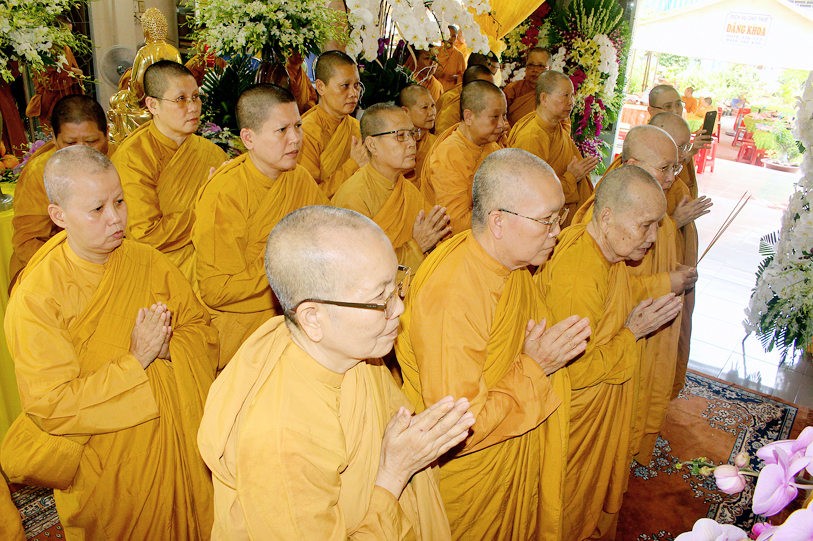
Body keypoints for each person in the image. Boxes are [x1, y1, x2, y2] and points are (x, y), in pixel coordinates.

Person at [198, 205, 476, 540]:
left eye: (396, 286)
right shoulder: (281, 439)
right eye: (381, 298)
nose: (399, 307)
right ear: (312, 318)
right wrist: (395, 472)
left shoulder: (352, 351)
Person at [4, 145, 218, 539]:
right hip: (106, 464)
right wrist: (136, 361)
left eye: (119, 201)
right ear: (58, 216)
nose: (116, 218)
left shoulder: (147, 260)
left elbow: (202, 330)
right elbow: (51, 405)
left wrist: (168, 346)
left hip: (176, 441)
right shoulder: (37, 297)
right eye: (97, 209)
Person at [396, 148, 591, 541]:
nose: (557, 231)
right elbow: (454, 429)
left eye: (560, 218)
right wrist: (536, 367)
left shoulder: (510, 265)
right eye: (547, 221)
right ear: (498, 221)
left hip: (505, 455)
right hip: (464, 483)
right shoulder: (455, 293)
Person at [538, 165, 683, 540]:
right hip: (574, 417)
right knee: (566, 504)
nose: (653, 237)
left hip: (598, 404)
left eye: (657, 226)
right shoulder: (579, 274)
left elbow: (608, 311)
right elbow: (573, 371)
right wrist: (633, 333)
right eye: (645, 225)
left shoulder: (606, 254)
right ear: (606, 218)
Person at [570, 124, 699, 464]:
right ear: (631, 164)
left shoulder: (648, 208)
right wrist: (666, 282)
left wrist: (673, 267)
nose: (672, 176)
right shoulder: (610, 218)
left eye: (676, 166)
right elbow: (615, 289)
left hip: (642, 329)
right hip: (617, 341)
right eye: (664, 167)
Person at [193, 84, 329, 370]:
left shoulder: (299, 178)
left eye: (298, 126)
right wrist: (290, 266)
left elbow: (326, 237)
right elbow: (217, 290)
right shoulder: (225, 193)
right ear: (248, 138)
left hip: (298, 318)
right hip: (241, 330)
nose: (295, 139)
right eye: (282, 130)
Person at [112, 60, 227, 282]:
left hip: (214, 263)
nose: (193, 107)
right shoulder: (133, 158)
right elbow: (145, 234)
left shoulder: (211, 153)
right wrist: (206, 208)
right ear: (153, 105)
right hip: (158, 274)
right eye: (180, 99)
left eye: (196, 97)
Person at [9, 95, 117, 290]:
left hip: (115, 259)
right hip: (55, 266)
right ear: (54, 138)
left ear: (107, 133)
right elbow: (27, 241)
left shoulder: (123, 160)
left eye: (91, 141)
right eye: (70, 143)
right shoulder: (39, 173)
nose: (81, 152)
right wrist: (78, 270)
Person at [332, 103, 450, 271]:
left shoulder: (407, 190)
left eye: (412, 134)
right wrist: (417, 246)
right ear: (372, 145)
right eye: (400, 136)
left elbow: (437, 236)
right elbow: (363, 268)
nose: (411, 143)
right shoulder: (354, 197)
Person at [648, 112, 713, 398]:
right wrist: (675, 221)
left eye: (686, 148)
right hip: (652, 286)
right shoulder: (630, 185)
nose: (684, 157)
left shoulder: (672, 180)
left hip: (673, 273)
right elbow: (630, 249)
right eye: (679, 148)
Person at [507, 70, 597, 228]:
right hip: (542, 224)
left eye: (572, 95)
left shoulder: (555, 127)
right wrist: (571, 178)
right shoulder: (531, 137)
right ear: (544, 98)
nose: (571, 102)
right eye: (565, 96)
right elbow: (531, 191)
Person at [421, 80, 507, 231]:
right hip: (456, 240)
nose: (502, 124)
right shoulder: (450, 154)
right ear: (468, 116)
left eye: (504, 115)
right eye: (494, 116)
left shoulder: (491, 146)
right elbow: (456, 223)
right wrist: (505, 215)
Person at [298, 51, 367, 198]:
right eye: (344, 86)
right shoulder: (306, 133)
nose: (353, 93)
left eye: (356, 85)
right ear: (320, 87)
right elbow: (309, 195)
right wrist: (353, 165)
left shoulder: (357, 128)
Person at [25, 16, 84, 130]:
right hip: (51, 103)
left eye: (70, 33)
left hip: (69, 100)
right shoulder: (45, 51)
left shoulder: (65, 49)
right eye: (66, 33)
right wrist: (75, 73)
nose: (69, 36)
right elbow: (49, 82)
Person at [435, 61, 493, 134]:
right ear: (470, 88)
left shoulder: (490, 104)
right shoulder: (453, 109)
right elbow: (443, 137)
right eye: (486, 88)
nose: (492, 91)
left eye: (493, 87)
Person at [398, 84, 437, 190]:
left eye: (433, 105)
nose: (431, 112)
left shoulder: (438, 144)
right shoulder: (395, 144)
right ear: (405, 111)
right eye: (425, 107)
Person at [503, 47, 551, 125]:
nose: (535, 70)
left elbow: (563, 125)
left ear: (550, 69)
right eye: (531, 65)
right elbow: (498, 115)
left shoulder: (555, 92)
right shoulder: (513, 89)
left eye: (541, 66)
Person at [433, 26, 466, 92]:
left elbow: (464, 76)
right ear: (443, 36)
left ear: (456, 38)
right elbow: (425, 68)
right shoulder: (436, 51)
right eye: (448, 35)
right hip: (435, 89)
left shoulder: (459, 55)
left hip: (450, 92)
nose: (450, 38)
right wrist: (434, 72)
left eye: (453, 36)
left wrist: (456, 77)